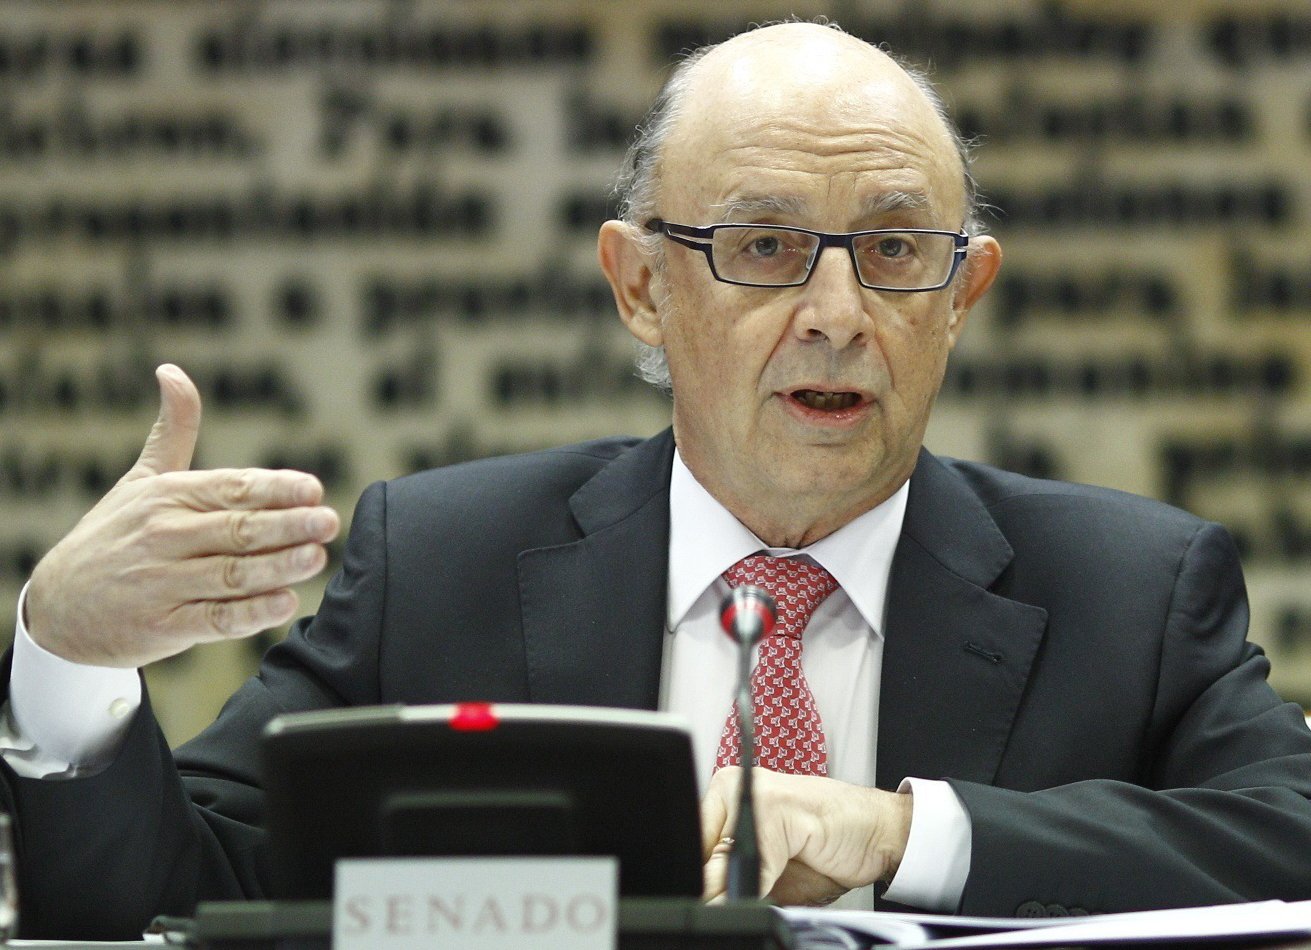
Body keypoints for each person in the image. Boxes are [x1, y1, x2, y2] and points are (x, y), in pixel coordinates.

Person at [5, 19, 1311, 941]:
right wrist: (67, 666)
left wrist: (903, 836)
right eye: (764, 244)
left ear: (964, 293)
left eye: (899, 248)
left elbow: (1290, 833)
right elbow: (180, 887)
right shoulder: (446, 560)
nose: (840, 311)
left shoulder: (1133, 589)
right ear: (639, 284)